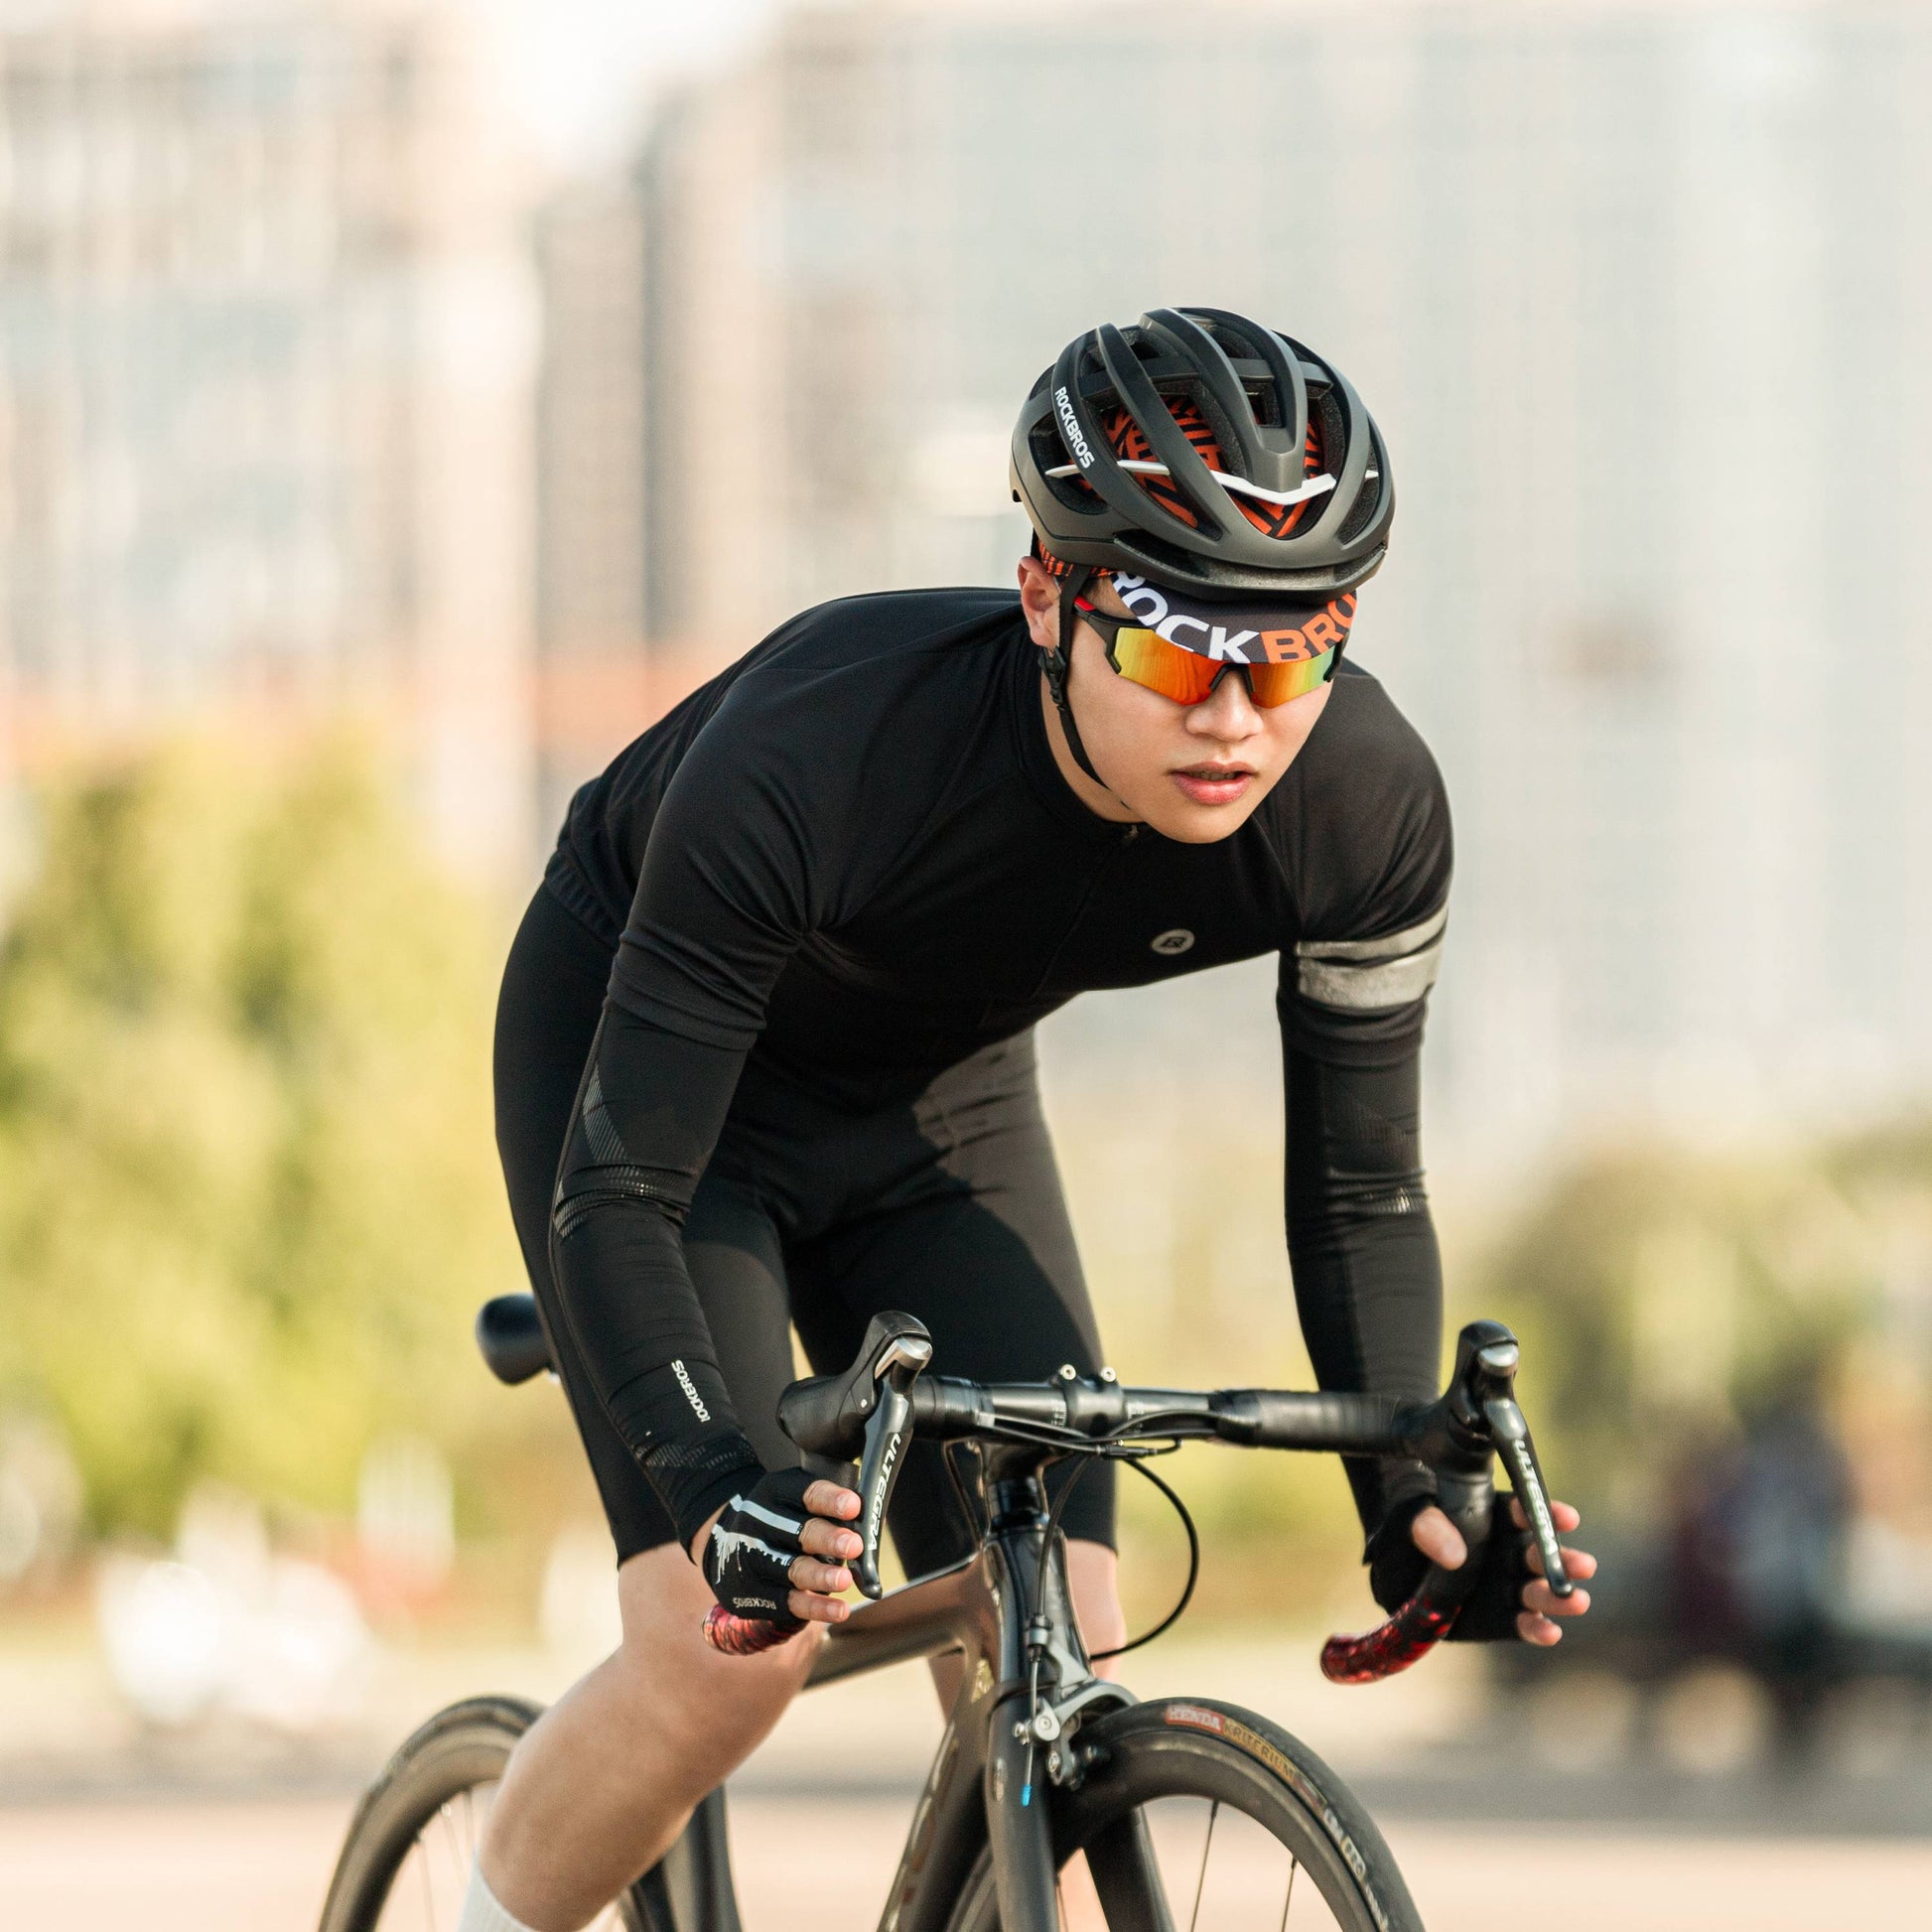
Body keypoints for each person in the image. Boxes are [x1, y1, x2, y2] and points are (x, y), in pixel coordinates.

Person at [468, 307, 1594, 1932]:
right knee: (731, 1656)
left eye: (1292, 652)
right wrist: (713, 1476)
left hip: (935, 1100)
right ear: (1048, 599)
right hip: (658, 1113)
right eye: (1174, 651)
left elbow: (1364, 1186)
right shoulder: (820, 756)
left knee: (1061, 1635)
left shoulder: (1362, 805)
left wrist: (1400, 1484)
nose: (1235, 718)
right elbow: (621, 1187)